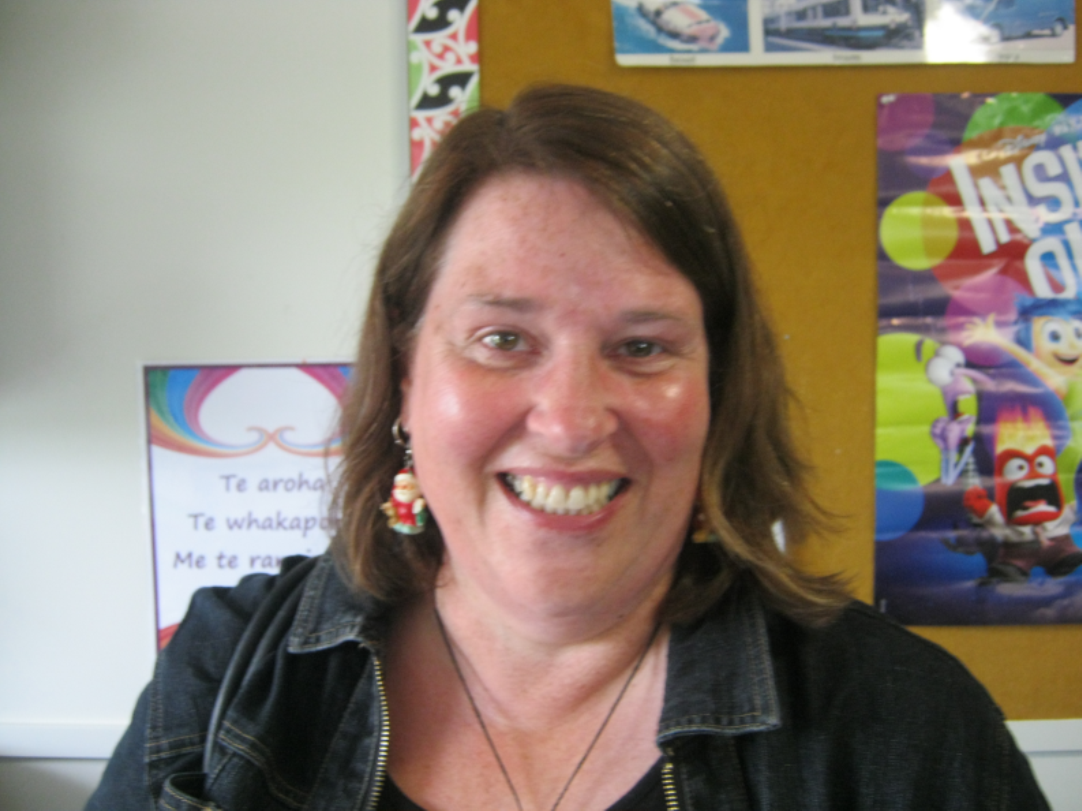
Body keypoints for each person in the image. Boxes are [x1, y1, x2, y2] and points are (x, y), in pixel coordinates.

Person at [87, 85, 1049, 810]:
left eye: (643, 346)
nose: (572, 419)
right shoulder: (228, 674)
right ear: (406, 375)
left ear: (719, 392)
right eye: (502, 338)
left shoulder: (903, 728)